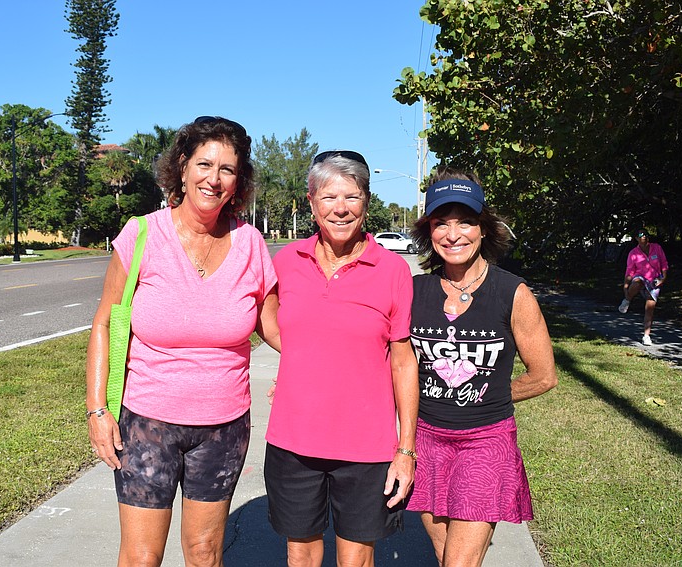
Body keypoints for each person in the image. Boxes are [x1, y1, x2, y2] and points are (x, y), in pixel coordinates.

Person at [85, 116, 279, 567]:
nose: (214, 179)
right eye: (204, 164)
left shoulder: (251, 243)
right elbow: (104, 324)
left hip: (224, 428)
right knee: (141, 556)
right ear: (183, 166)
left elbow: (273, 326)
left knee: (205, 552)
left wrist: (339, 346)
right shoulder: (142, 235)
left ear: (239, 179)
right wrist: (97, 410)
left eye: (227, 169)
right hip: (147, 424)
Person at [264, 150, 419, 567]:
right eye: (329, 197)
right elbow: (266, 316)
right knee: (301, 555)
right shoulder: (287, 262)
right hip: (293, 441)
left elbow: (403, 362)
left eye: (352, 196)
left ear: (366, 202)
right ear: (311, 202)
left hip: (367, 447)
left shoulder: (392, 270)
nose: (341, 208)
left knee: (356, 560)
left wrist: (406, 450)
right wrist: (302, 362)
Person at [407, 168, 558, 567]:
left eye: (466, 222)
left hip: (485, 442)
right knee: (445, 556)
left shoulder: (513, 293)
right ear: (429, 231)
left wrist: (491, 395)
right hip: (426, 442)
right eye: (441, 223)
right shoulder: (413, 292)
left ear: (484, 229)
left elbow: (543, 375)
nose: (453, 234)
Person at [618, 228, 668, 346]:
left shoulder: (657, 248)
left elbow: (664, 263)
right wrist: (625, 286)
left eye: (646, 234)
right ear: (636, 238)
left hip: (654, 280)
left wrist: (663, 278)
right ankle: (627, 300)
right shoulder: (633, 253)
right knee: (638, 282)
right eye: (641, 235)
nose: (644, 237)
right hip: (640, 277)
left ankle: (646, 335)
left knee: (649, 308)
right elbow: (629, 271)